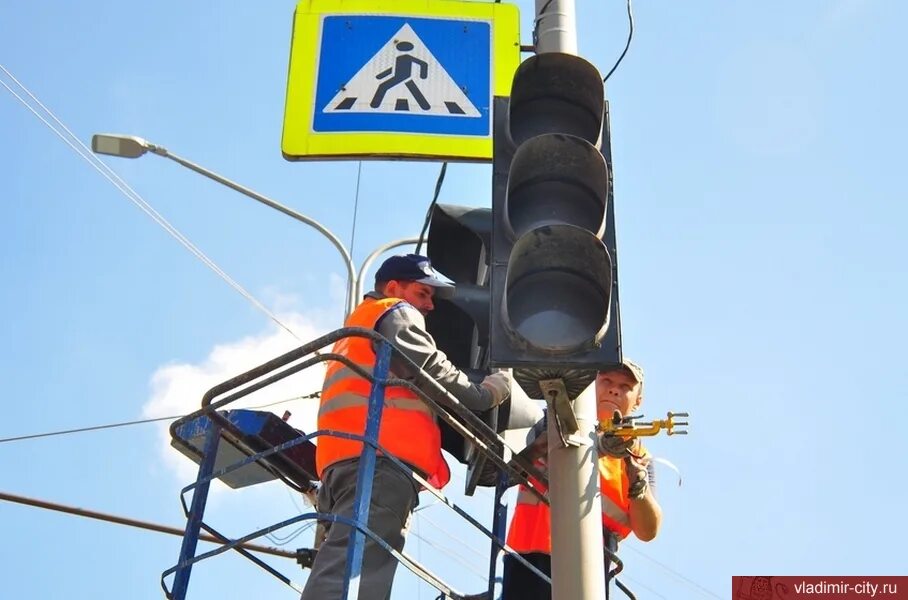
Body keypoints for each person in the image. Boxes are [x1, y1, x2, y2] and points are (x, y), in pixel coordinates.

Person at [301, 253, 512, 600]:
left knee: (348, 557)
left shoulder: (359, 324)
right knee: (356, 566)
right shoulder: (394, 311)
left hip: (343, 462)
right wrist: (485, 394)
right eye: (422, 293)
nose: (429, 305)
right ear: (395, 287)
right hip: (379, 460)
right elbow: (430, 368)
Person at [501, 359, 662, 600]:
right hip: (530, 559)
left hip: (592, 567)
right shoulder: (549, 423)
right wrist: (542, 444)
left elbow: (648, 530)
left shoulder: (637, 454)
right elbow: (502, 474)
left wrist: (638, 485)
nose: (614, 389)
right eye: (606, 380)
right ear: (590, 384)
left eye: (625, 386)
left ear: (638, 400)